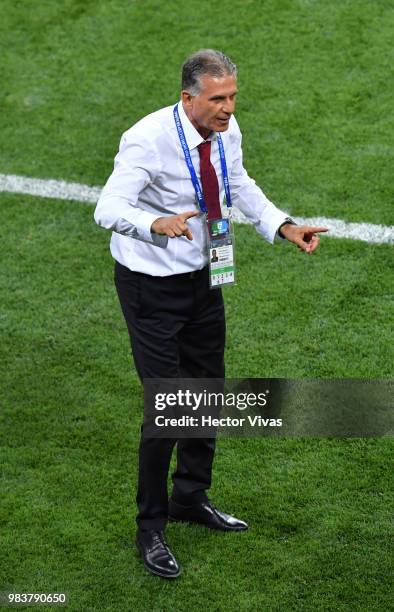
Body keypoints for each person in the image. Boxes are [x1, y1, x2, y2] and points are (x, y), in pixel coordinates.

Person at [94, 49, 328, 579]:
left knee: (207, 387)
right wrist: (156, 225)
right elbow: (108, 207)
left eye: (233, 97)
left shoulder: (226, 129)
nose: (228, 108)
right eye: (217, 99)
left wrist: (283, 225)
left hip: (205, 275)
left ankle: (190, 497)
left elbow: (238, 184)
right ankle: (150, 527)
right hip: (150, 286)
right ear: (188, 98)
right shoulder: (146, 139)